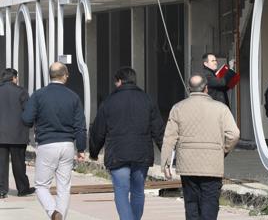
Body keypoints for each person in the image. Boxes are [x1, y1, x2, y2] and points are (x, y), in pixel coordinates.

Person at [89, 67, 165, 220]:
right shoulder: (147, 99)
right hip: (141, 153)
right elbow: (158, 129)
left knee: (121, 191)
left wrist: (94, 152)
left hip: (117, 154)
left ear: (119, 81)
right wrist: (166, 154)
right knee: (138, 191)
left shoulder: (109, 101)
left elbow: (98, 131)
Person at [161, 74, 239, 220]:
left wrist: (165, 162)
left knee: (191, 203)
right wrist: (223, 151)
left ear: (189, 88)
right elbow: (234, 134)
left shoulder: (177, 108)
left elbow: (169, 137)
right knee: (210, 203)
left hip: (187, 165)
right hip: (212, 165)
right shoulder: (221, 108)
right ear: (206, 88)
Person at [22, 62, 87, 220]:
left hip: (47, 144)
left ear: (50, 75)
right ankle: (60, 217)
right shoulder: (73, 96)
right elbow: (80, 126)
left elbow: (26, 119)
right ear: (65, 76)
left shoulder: (38, 95)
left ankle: (52, 212)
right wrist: (81, 149)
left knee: (41, 186)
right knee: (64, 187)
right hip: (67, 145)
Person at [0, 68, 35, 199]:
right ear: (14, 78)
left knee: (1, 164)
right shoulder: (21, 92)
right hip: (18, 134)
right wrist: (28, 126)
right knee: (19, 163)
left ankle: (2, 190)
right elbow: (28, 113)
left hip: (1, 135)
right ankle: (22, 188)